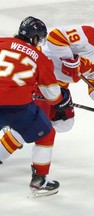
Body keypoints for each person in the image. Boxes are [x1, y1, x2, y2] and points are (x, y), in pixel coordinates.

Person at [0, 16, 71, 197]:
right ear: (36, 38)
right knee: (47, 135)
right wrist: (62, 99)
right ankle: (39, 181)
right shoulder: (39, 57)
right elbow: (53, 96)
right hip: (18, 107)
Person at [35, 14, 94, 133]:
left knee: (64, 123)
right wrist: (68, 59)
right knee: (34, 122)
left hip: (58, 86)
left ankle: (31, 131)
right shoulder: (87, 35)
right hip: (37, 71)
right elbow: (55, 36)